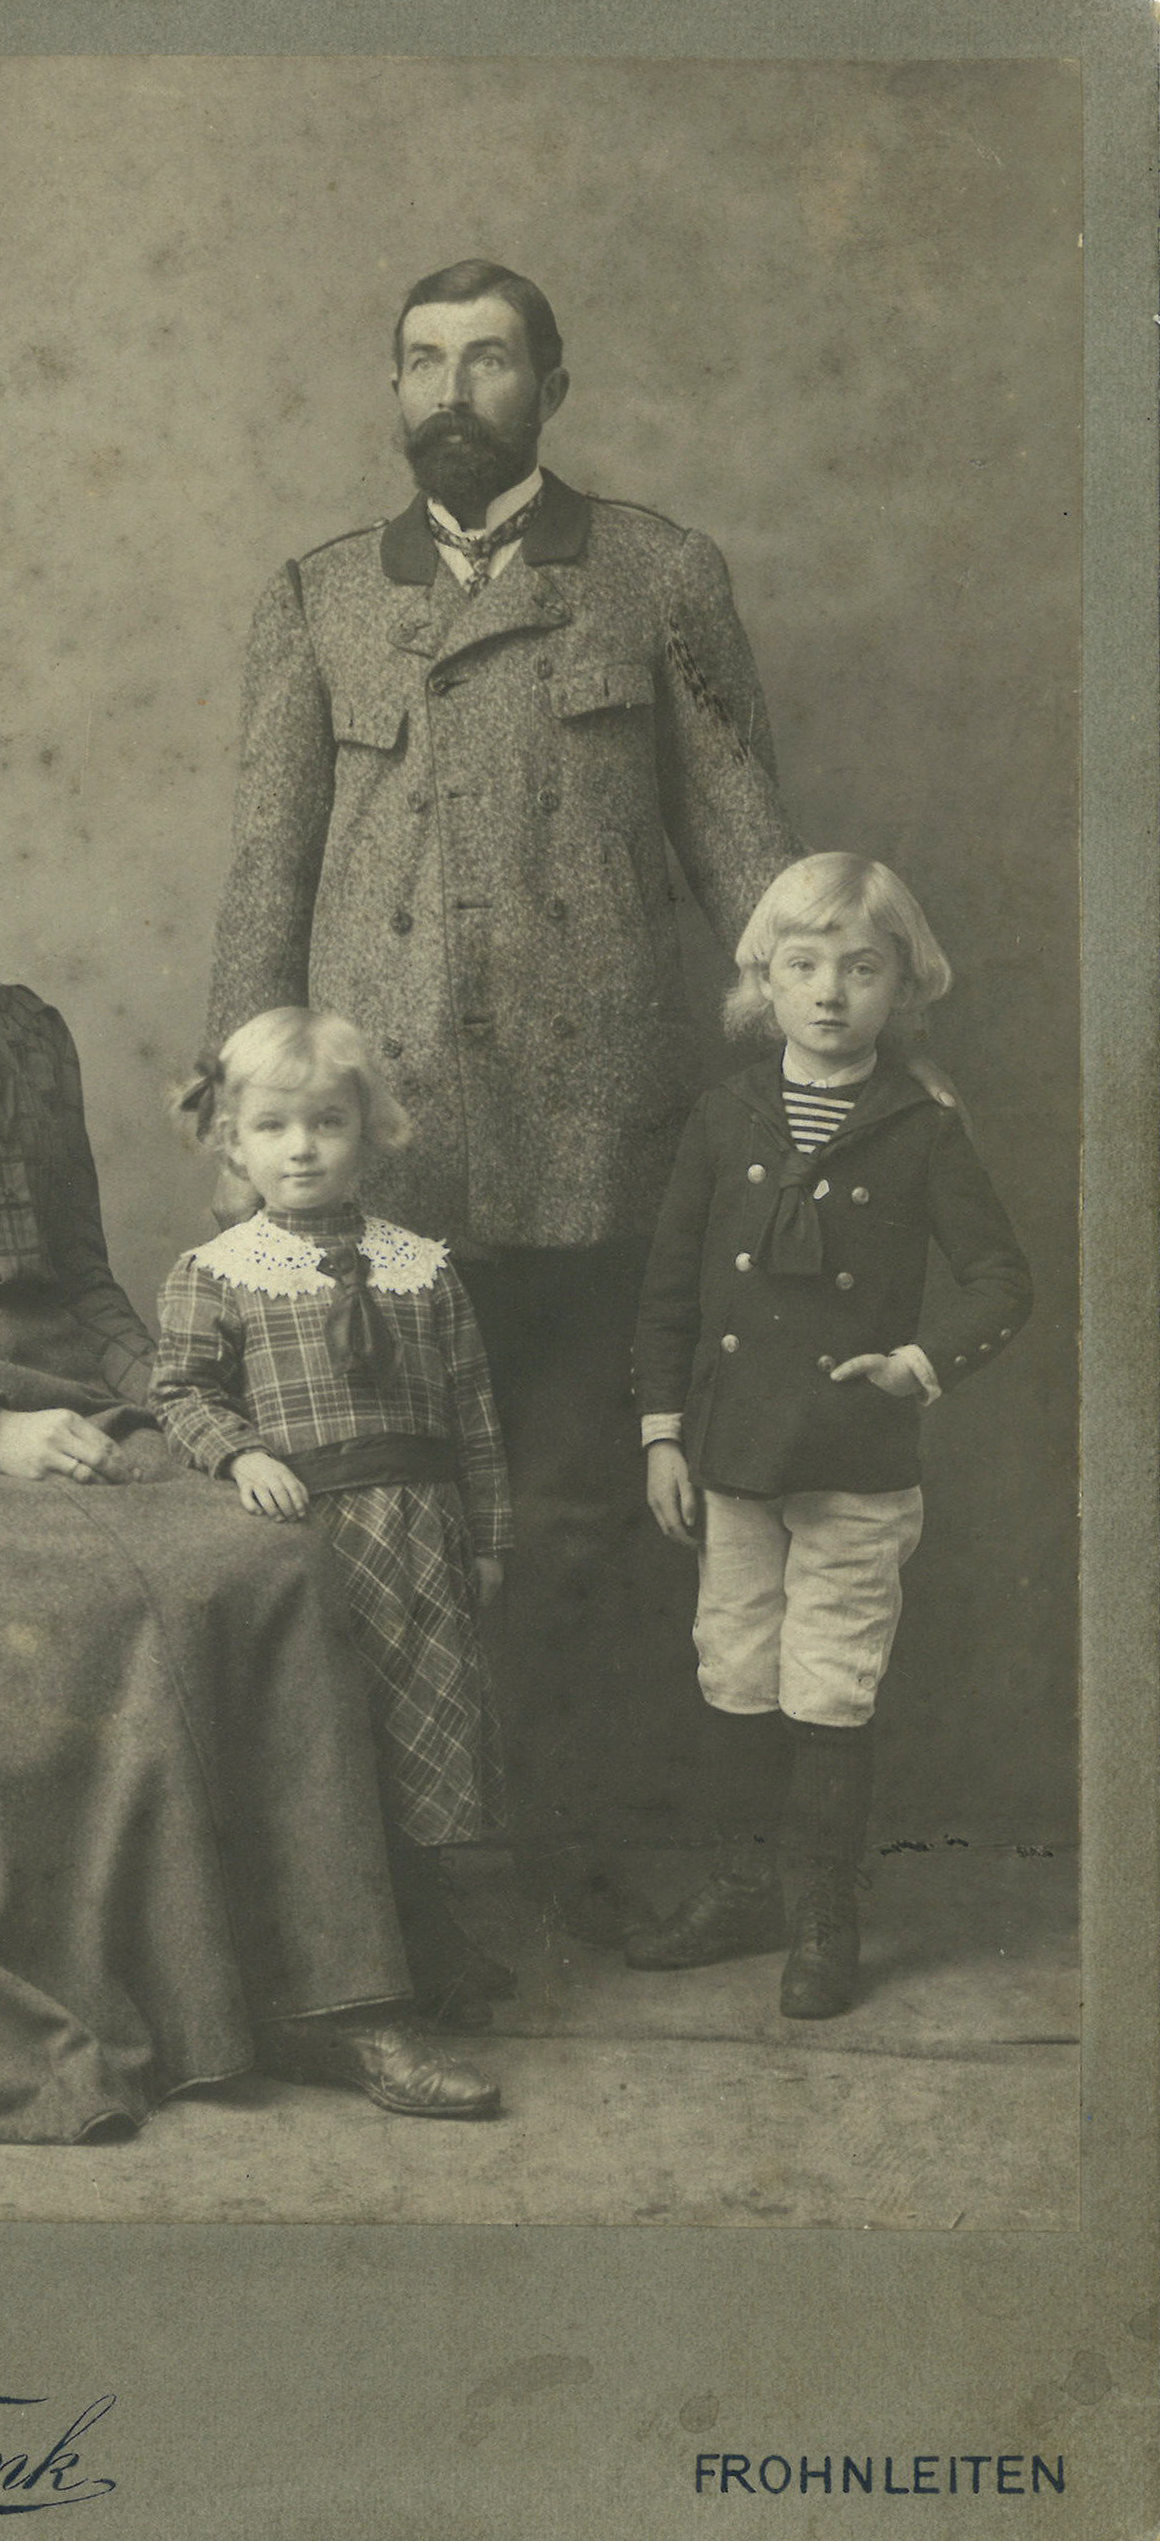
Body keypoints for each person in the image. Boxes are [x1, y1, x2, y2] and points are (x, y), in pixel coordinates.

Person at [204, 256, 957, 1935]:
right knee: (380, 1514)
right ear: (392, 392)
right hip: (378, 1155)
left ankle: (575, 1867)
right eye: (422, 362)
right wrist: (242, 1105)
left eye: (488, 361)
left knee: (581, 1519)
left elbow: (748, 857)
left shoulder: (656, 576)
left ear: (550, 386)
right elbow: (267, 872)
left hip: (599, 1144)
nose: (451, 392)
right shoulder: (315, 598)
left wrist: (826, 1082)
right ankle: (399, 1893)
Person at [0, 654, 500, 2141]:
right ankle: (182, 1998)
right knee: (104, 1606)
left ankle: (336, 1999)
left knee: (269, 1552)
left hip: (64, 1397)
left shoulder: (25, 1031)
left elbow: (85, 1289)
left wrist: (192, 1417)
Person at [625, 854, 1032, 2016]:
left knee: (830, 1687)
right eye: (802, 966)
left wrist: (918, 1365)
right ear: (764, 980)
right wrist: (661, 1434)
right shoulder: (724, 1115)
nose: (829, 993)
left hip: (854, 1457)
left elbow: (1000, 1280)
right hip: (731, 1453)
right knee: (736, 1668)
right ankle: (743, 1887)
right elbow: (667, 1291)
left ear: (903, 985)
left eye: (861, 970)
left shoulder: (919, 1126)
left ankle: (820, 1917)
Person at [152, 1009, 513, 2036]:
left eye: (326, 1122)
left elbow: (475, 1414)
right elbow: (178, 1391)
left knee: (424, 1736)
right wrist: (243, 1453)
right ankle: (352, 1958)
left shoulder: (422, 1268)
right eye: (272, 1127)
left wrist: (490, 1540)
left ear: (369, 1131)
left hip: (422, 1543)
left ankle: (430, 1933)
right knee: (333, 1742)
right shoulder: (217, 1272)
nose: (301, 1148)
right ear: (232, 1141)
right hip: (309, 1545)